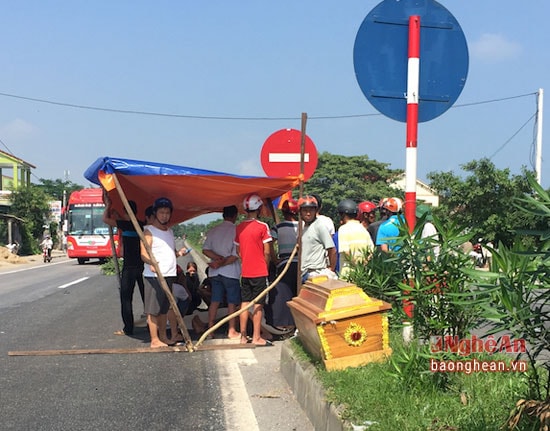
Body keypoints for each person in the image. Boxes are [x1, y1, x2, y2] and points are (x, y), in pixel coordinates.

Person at [140, 197, 190, 348]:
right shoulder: (149, 232)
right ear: (155, 213)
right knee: (153, 309)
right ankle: (154, 339)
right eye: (161, 212)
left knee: (164, 309)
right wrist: (151, 263)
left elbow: (171, 253)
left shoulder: (170, 232)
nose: (164, 216)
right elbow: (143, 253)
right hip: (154, 276)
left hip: (168, 275)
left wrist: (179, 253)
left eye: (167, 213)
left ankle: (163, 336)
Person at [103, 198, 146, 336]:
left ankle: (128, 328)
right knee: (147, 296)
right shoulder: (141, 224)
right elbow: (125, 220)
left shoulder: (124, 224)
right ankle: (153, 323)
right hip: (143, 265)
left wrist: (108, 206)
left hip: (129, 267)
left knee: (126, 298)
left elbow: (105, 219)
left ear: (124, 211)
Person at [234, 193, 273, 346]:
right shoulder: (263, 227)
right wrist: (266, 265)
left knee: (244, 303)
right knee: (258, 304)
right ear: (259, 208)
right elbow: (268, 251)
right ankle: (256, 336)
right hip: (259, 271)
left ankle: (243, 336)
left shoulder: (239, 227)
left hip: (245, 272)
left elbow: (238, 252)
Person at [202, 205, 241, 339]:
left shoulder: (213, 230)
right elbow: (235, 255)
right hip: (231, 272)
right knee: (232, 302)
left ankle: (210, 330)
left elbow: (205, 250)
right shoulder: (236, 231)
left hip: (215, 272)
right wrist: (222, 262)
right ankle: (231, 330)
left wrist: (217, 260)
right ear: (235, 215)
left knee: (215, 300)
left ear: (223, 215)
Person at [265, 198, 299, 333]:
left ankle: (285, 323)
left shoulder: (278, 227)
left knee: (284, 293)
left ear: (284, 212)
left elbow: (270, 243)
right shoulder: (303, 226)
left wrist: (274, 259)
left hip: (285, 263)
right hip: (301, 264)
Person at [299, 195, 337, 282]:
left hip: (315, 273)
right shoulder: (303, 228)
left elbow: (332, 250)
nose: (308, 213)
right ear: (300, 212)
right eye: (305, 210)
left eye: (311, 210)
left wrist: (331, 268)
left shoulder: (319, 226)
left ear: (316, 211)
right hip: (305, 272)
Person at [336, 199, 374, 278]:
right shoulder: (363, 229)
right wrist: (363, 265)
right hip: (363, 274)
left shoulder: (343, 229)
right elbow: (371, 251)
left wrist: (356, 265)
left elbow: (346, 252)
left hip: (347, 274)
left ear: (343, 214)